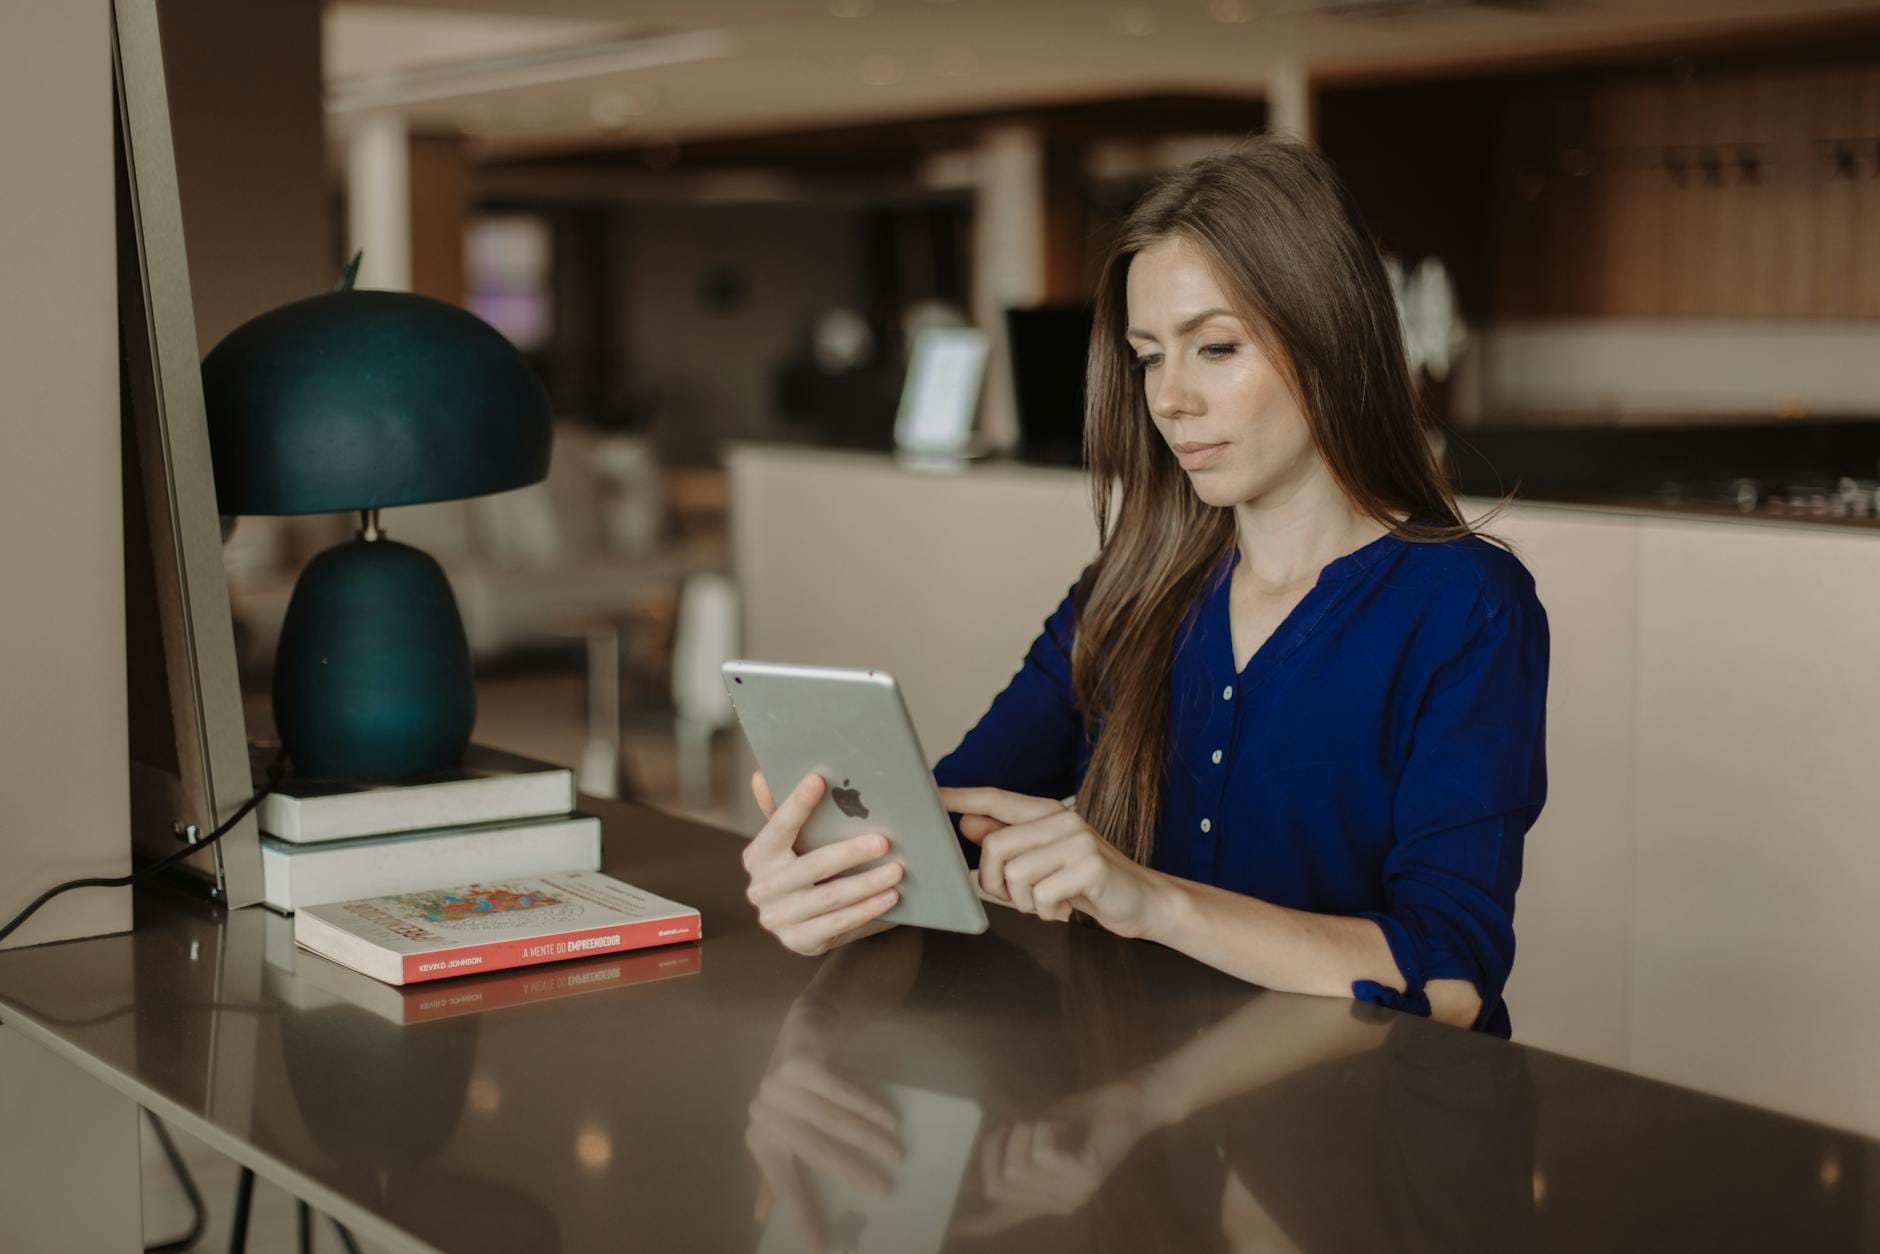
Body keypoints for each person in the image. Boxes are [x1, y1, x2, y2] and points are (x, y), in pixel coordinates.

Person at [739, 135, 1549, 1037]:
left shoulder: (1464, 603)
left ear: (1330, 339)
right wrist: (842, 879)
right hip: (1143, 1119)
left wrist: (1149, 900)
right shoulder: (1122, 593)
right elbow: (951, 819)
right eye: (1148, 355)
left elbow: (1453, 975)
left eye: (1215, 347)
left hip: (1370, 1136)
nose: (1170, 400)